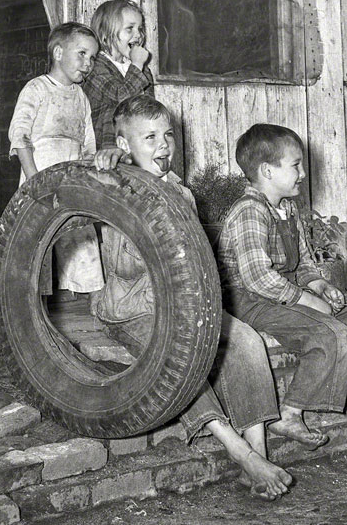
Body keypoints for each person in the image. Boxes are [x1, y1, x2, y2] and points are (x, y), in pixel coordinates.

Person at [95, 94, 292, 500]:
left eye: (167, 135)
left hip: (180, 306)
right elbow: (128, 267)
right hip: (132, 311)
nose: (163, 146)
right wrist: (103, 162)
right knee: (183, 361)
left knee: (246, 342)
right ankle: (238, 451)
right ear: (123, 145)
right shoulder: (115, 187)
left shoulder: (180, 193)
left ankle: (259, 450)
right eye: (148, 138)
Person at [218, 123, 347, 450]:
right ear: (267, 171)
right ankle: (289, 412)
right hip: (250, 302)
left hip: (284, 294)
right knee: (331, 331)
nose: (302, 173)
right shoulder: (249, 212)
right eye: (295, 165)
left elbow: (302, 262)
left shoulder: (288, 209)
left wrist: (317, 284)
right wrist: (306, 300)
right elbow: (257, 279)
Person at [8, 22, 112, 294]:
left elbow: (88, 145)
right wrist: (34, 182)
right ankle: (32, 300)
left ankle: (92, 296)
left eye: (92, 57)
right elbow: (20, 137)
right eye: (82, 54)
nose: (88, 63)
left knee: (80, 234)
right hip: (41, 171)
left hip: (72, 172)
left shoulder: (81, 98)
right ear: (57, 53)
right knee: (37, 239)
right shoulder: (37, 88)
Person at [83, 0, 154, 150]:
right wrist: (137, 65)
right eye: (130, 29)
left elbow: (149, 109)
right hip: (106, 147)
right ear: (106, 34)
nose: (138, 35)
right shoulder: (95, 66)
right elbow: (121, 99)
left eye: (140, 29)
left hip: (136, 145)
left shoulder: (142, 69)